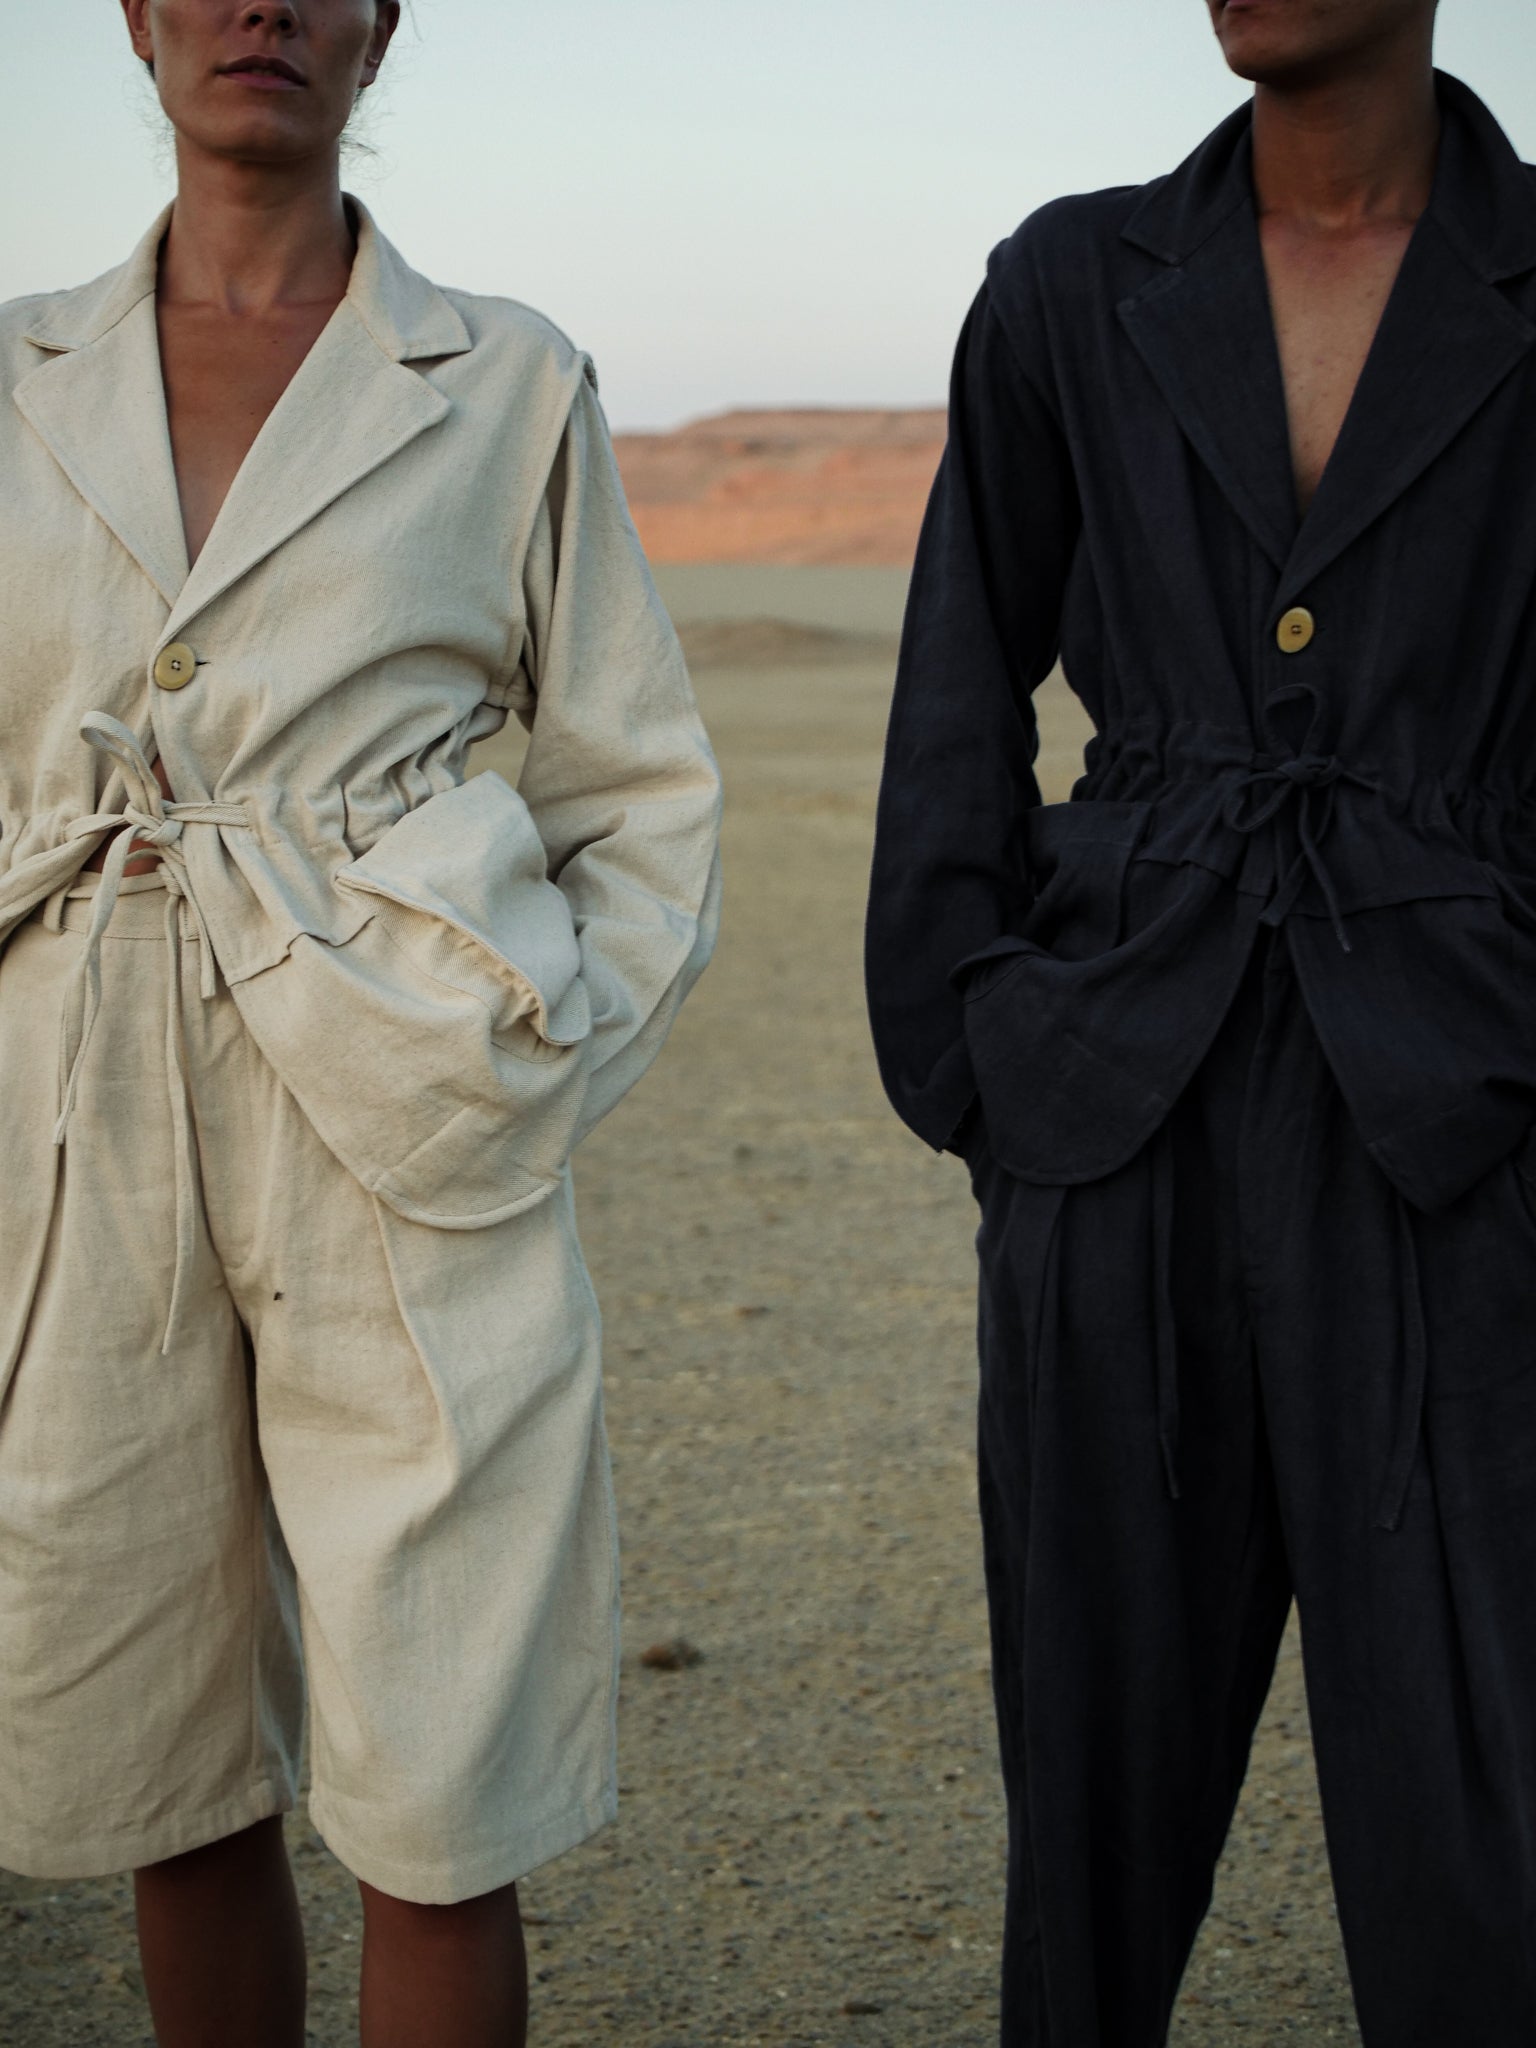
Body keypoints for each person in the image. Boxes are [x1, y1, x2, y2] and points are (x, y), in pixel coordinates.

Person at [0, 3, 721, 2043]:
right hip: (72, 1121)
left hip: (396, 1118)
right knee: (167, 1762)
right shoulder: (13, 369)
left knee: (441, 1790)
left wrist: (521, 1065)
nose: (262, 9)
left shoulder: (502, 381)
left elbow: (639, 783)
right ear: (133, 19)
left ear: (382, 22)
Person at [867, 2, 1536, 2042]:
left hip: (1459, 1126)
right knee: (1090, 1852)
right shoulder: (1073, 282)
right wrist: (977, 1055)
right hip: (1113, 1114)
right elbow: (962, 678)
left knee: (1485, 1860)